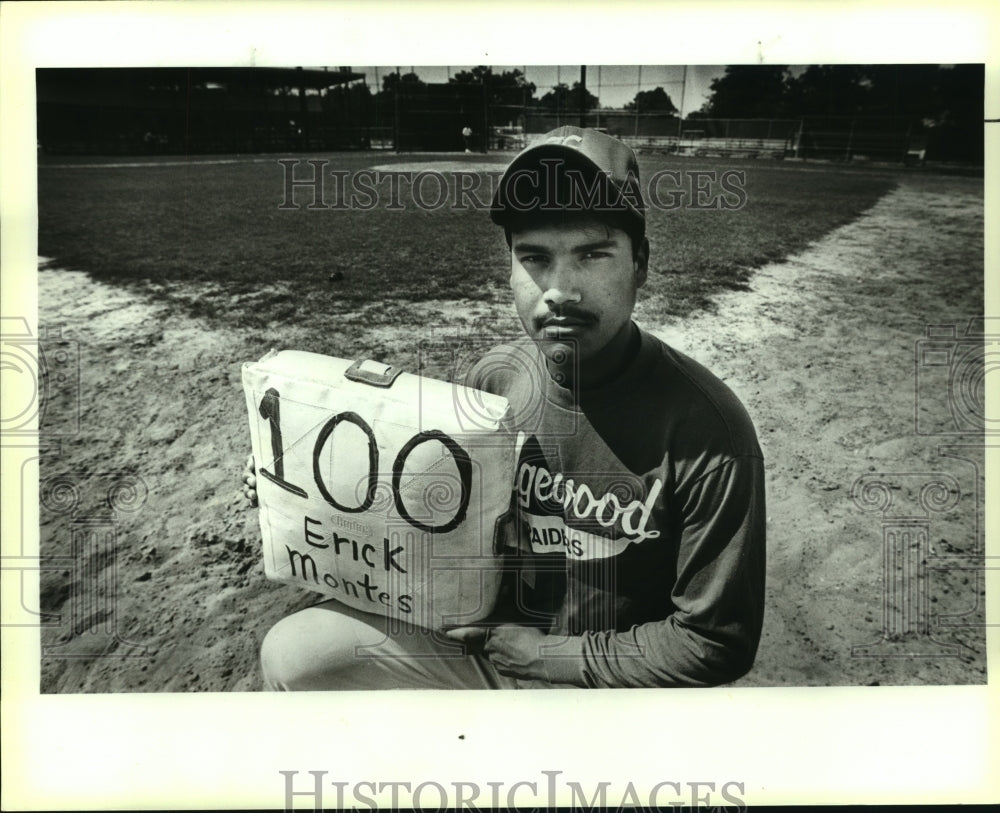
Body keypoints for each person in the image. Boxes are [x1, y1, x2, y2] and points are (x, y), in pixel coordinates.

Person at [246, 126, 766, 689]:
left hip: (607, 683)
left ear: (640, 263)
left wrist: (549, 656)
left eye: (593, 255)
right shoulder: (495, 379)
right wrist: (301, 486)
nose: (560, 289)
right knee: (296, 655)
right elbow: (428, 511)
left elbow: (715, 642)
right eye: (535, 257)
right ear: (510, 267)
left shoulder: (709, 432)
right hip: (487, 642)